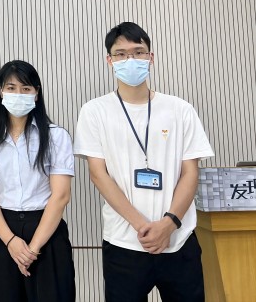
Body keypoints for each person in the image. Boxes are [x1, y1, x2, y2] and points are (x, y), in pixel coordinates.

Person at [74, 22, 214, 302]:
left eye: (138, 52)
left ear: (151, 57)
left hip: (179, 239)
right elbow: (98, 174)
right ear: (109, 61)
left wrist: (169, 224)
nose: (131, 59)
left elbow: (190, 173)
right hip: (124, 242)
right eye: (121, 53)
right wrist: (143, 227)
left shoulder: (180, 109)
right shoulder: (94, 111)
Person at [0, 60, 76, 302]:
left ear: (37, 93)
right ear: (0, 91)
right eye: (11, 88)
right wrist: (11, 241)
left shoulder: (56, 136)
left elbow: (61, 196)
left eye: (26, 89)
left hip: (46, 231)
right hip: (2, 232)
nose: (18, 94)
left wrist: (32, 249)